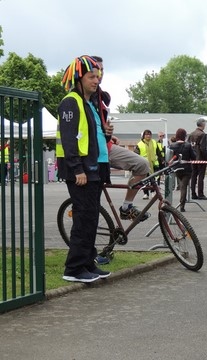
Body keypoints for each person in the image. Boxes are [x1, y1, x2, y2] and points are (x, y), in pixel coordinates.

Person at [56, 55, 111, 283]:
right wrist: (77, 168)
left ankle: (88, 263)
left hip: (93, 168)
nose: (96, 80)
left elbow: (87, 136)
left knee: (90, 218)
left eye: (97, 76)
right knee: (83, 218)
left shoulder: (90, 103)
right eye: (91, 76)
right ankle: (74, 269)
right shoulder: (71, 102)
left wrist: (106, 134)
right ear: (79, 78)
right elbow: (69, 140)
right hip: (80, 171)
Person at [90, 56, 150, 224]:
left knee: (142, 165)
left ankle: (126, 207)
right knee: (90, 204)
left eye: (101, 71)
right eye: (95, 72)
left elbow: (96, 123)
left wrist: (108, 134)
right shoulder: (83, 96)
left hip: (105, 145)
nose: (99, 75)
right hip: (95, 151)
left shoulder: (99, 95)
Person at [168, 128, 196, 212]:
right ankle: (182, 205)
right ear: (184, 136)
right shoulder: (188, 145)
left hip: (176, 168)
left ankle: (176, 204)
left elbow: (170, 157)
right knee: (184, 187)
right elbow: (193, 157)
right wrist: (193, 149)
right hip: (186, 168)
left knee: (181, 184)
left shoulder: (172, 145)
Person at [134, 129, 162, 200]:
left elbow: (158, 153)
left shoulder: (154, 142)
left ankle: (153, 191)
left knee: (154, 179)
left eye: (149, 134)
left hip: (154, 164)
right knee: (145, 180)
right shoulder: (139, 144)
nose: (148, 136)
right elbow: (135, 155)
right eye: (146, 134)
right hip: (144, 164)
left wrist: (161, 161)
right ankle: (146, 193)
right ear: (143, 136)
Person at [188, 118, 207, 200]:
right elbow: (203, 148)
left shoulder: (191, 134)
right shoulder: (202, 134)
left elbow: (188, 145)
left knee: (193, 175)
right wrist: (206, 158)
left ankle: (193, 193)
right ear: (203, 125)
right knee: (201, 176)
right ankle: (200, 193)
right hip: (201, 158)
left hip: (193, 158)